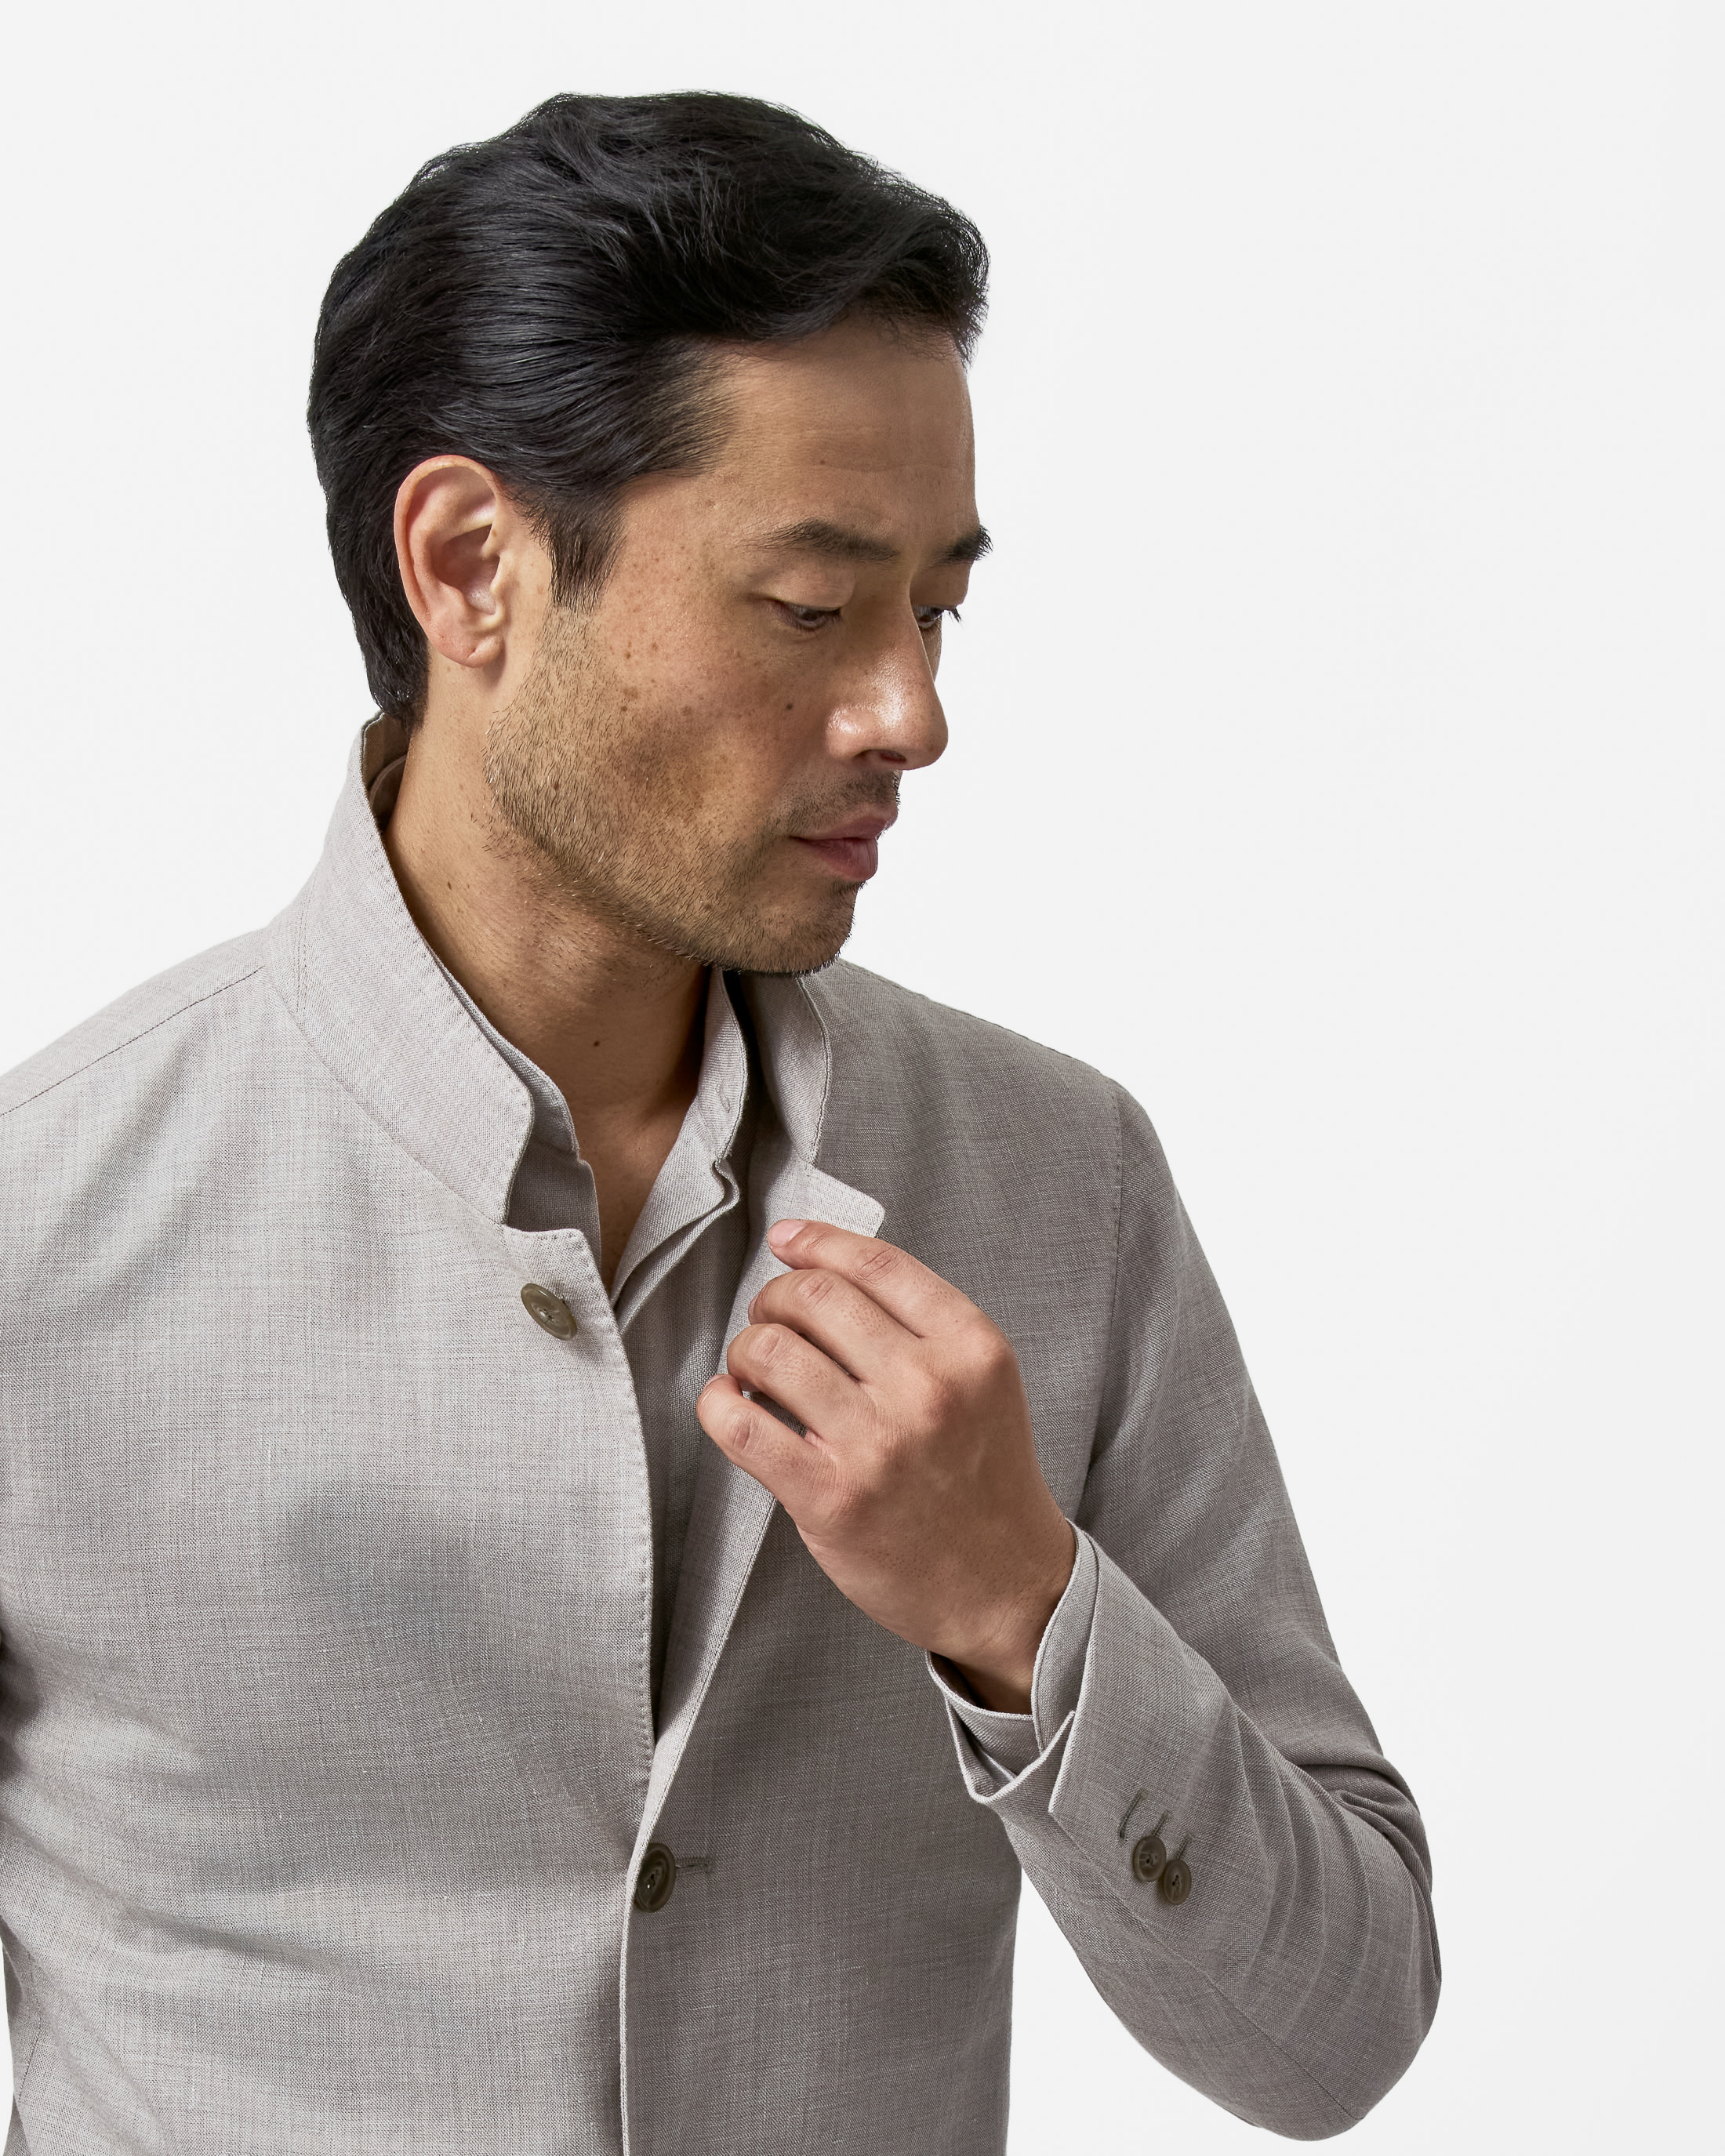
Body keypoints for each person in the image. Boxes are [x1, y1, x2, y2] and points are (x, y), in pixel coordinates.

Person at [0, 92, 1438, 2155]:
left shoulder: (1062, 1181)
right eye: (812, 605)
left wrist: (1024, 1610)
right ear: (471, 567)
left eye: (938, 607)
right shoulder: (35, 1238)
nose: (911, 713)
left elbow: (1338, 2035)